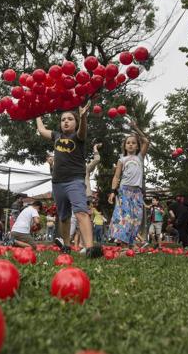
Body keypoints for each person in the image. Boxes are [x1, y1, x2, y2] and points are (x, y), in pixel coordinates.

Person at [36, 101, 101, 258]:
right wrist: (37, 114)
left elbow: (83, 131)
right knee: (64, 216)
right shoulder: (57, 136)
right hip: (57, 182)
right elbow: (42, 129)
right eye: (63, 119)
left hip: (75, 180)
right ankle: (66, 245)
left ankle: (90, 248)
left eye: (70, 119)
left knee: (81, 212)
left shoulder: (78, 137)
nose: (66, 121)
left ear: (76, 122)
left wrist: (83, 116)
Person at [108, 118, 149, 248]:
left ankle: (128, 242)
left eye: (133, 143)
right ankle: (121, 242)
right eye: (128, 143)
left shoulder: (140, 158)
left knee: (136, 218)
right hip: (124, 190)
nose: (131, 145)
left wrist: (136, 128)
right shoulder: (122, 160)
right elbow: (116, 176)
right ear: (125, 146)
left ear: (137, 146)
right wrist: (113, 192)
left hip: (137, 193)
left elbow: (146, 141)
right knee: (124, 217)